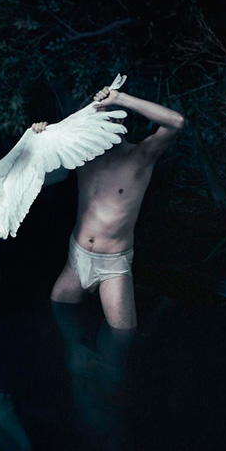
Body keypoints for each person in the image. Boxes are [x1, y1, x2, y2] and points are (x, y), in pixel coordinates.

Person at [33, 84, 185, 331]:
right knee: (59, 318)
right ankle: (77, 351)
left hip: (112, 266)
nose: (101, 124)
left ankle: (160, 310)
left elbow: (176, 122)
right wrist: (40, 141)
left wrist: (120, 98)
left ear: (120, 120)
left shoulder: (140, 157)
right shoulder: (83, 157)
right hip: (76, 258)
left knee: (122, 339)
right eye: (97, 118)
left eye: (108, 117)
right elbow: (39, 180)